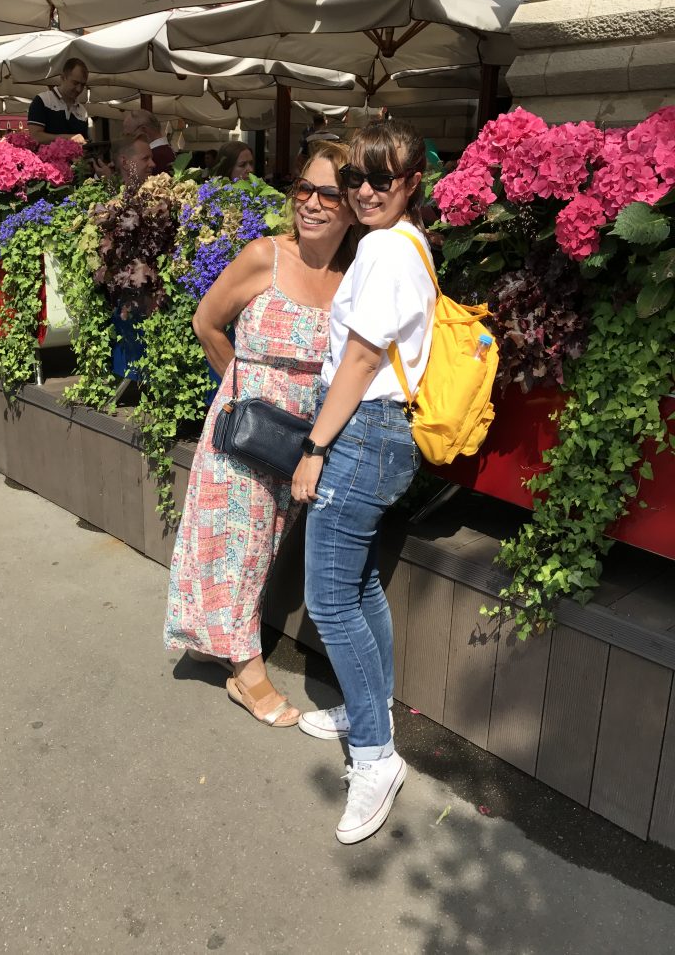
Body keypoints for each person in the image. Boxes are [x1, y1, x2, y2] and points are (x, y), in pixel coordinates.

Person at [164, 142, 357, 727]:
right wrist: (243, 394)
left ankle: (211, 640)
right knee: (235, 540)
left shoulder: (353, 276)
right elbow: (206, 322)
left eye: (329, 194)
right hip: (248, 428)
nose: (312, 203)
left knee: (262, 543)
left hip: (304, 438)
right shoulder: (264, 256)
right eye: (305, 189)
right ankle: (246, 673)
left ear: (352, 206)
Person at [292, 120, 436, 844]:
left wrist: (315, 447)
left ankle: (377, 758)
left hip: (360, 432)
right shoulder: (412, 243)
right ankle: (368, 709)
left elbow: (358, 361)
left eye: (383, 179)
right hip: (387, 434)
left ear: (412, 182)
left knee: (328, 597)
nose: (366, 192)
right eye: (356, 178)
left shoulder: (382, 248)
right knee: (357, 587)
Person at [27, 58, 90, 144]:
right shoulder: (43, 101)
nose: (79, 89)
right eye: (75, 83)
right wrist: (67, 138)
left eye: (82, 85)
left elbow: (83, 142)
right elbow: (35, 137)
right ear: (63, 77)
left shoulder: (83, 111)